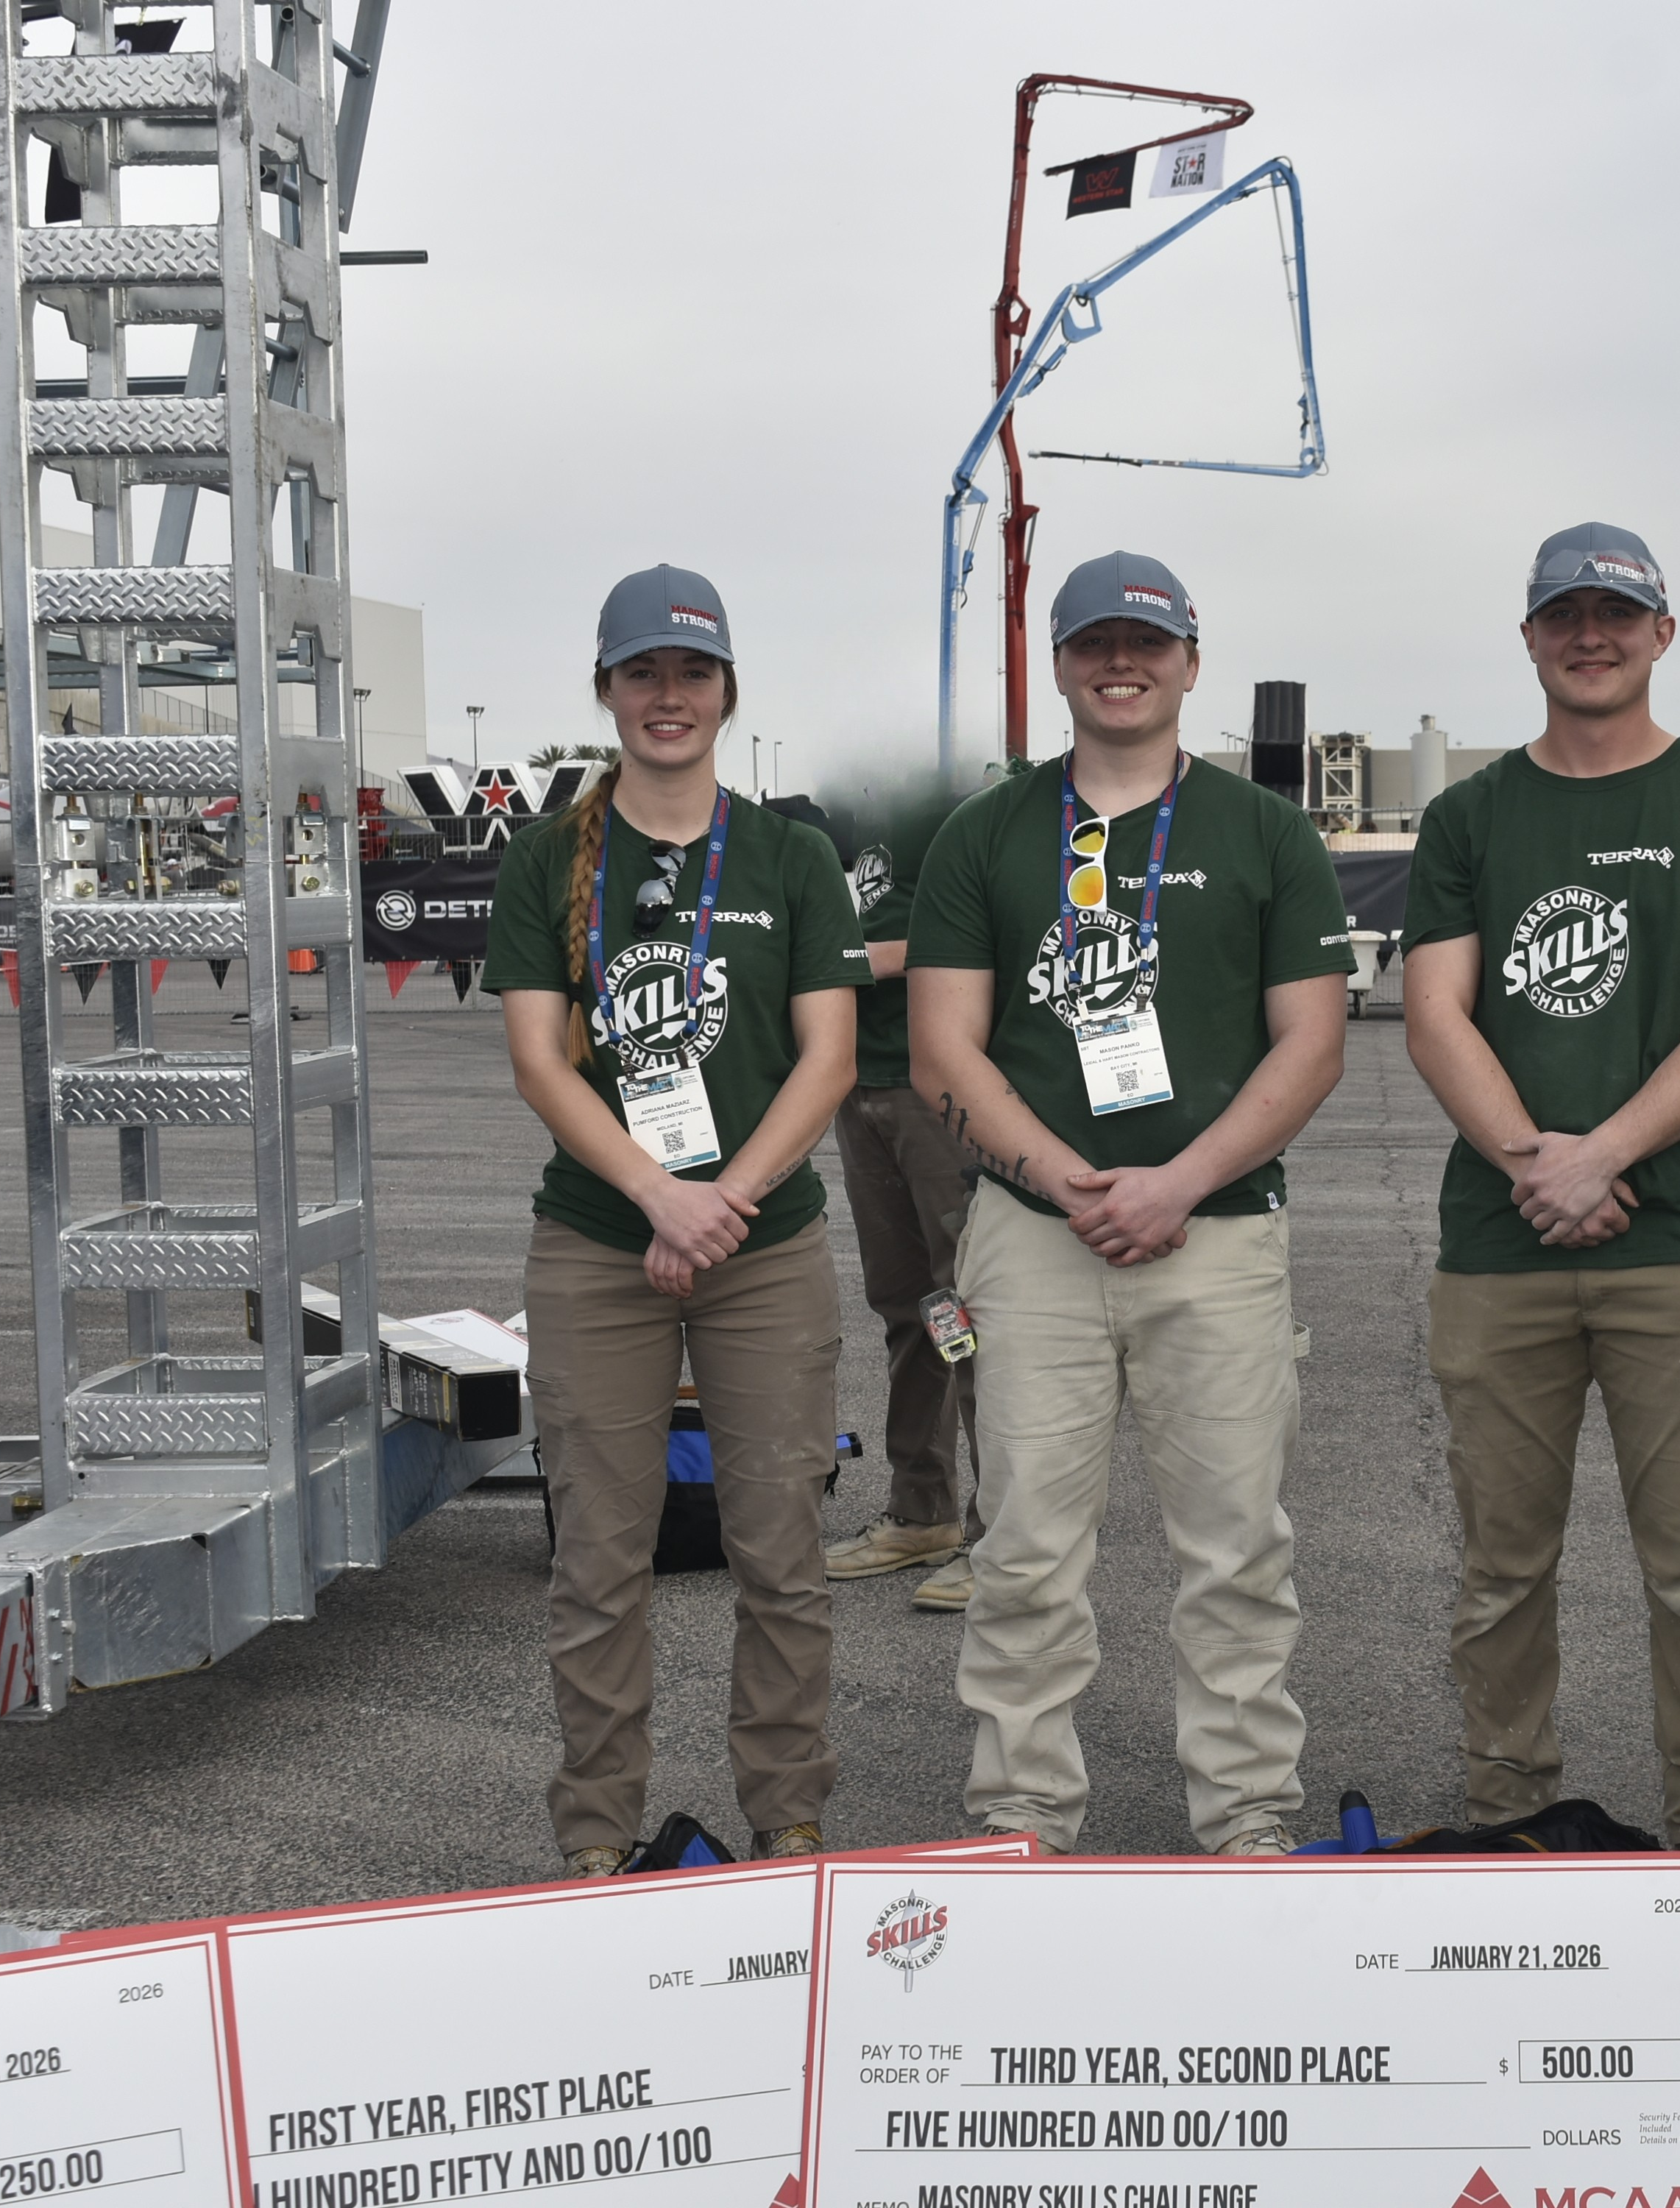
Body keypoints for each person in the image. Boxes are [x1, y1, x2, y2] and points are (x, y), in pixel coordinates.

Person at [908, 550, 1350, 1856]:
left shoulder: (1264, 832)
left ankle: (1248, 1815)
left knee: (1236, 1551)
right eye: (1095, 641)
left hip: (1217, 1235)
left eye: (1147, 642)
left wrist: (1180, 1181)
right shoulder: (985, 832)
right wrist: (1065, 1177)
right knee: (1025, 1551)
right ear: (1059, 663)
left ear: (1190, 662)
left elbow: (1312, 1044)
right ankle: (1023, 1814)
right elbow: (942, 1051)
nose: (1121, 662)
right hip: (1032, 1240)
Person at [1400, 524, 1680, 1849]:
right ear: (1529, 637)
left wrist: (1603, 1154)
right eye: (1565, 616)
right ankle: (1508, 1820)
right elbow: (1436, 1016)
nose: (1591, 636)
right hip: (1501, 1246)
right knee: (1500, 1576)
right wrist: (1537, 1162)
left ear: (1662, 634)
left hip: (1673, 1245)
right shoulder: (1469, 816)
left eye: (1617, 615)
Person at [484, 564, 871, 1876]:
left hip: (764, 1247)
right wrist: (658, 1195)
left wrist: (722, 1203)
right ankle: (596, 1839)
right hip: (601, 1242)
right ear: (605, 689)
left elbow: (827, 1058)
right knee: (599, 1562)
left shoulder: (790, 856)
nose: (668, 695)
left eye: (691, 672)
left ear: (727, 690)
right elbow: (540, 1062)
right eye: (643, 671)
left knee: (782, 1552)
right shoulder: (547, 859)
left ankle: (790, 1820)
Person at [822, 782, 981, 1612]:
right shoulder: (857, 810)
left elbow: (973, 931)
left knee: (969, 1311)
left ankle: (1005, 1537)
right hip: (863, 1083)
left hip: (937, 1092)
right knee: (912, 1308)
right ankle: (922, 1511)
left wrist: (837, 960)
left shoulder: (951, 802)